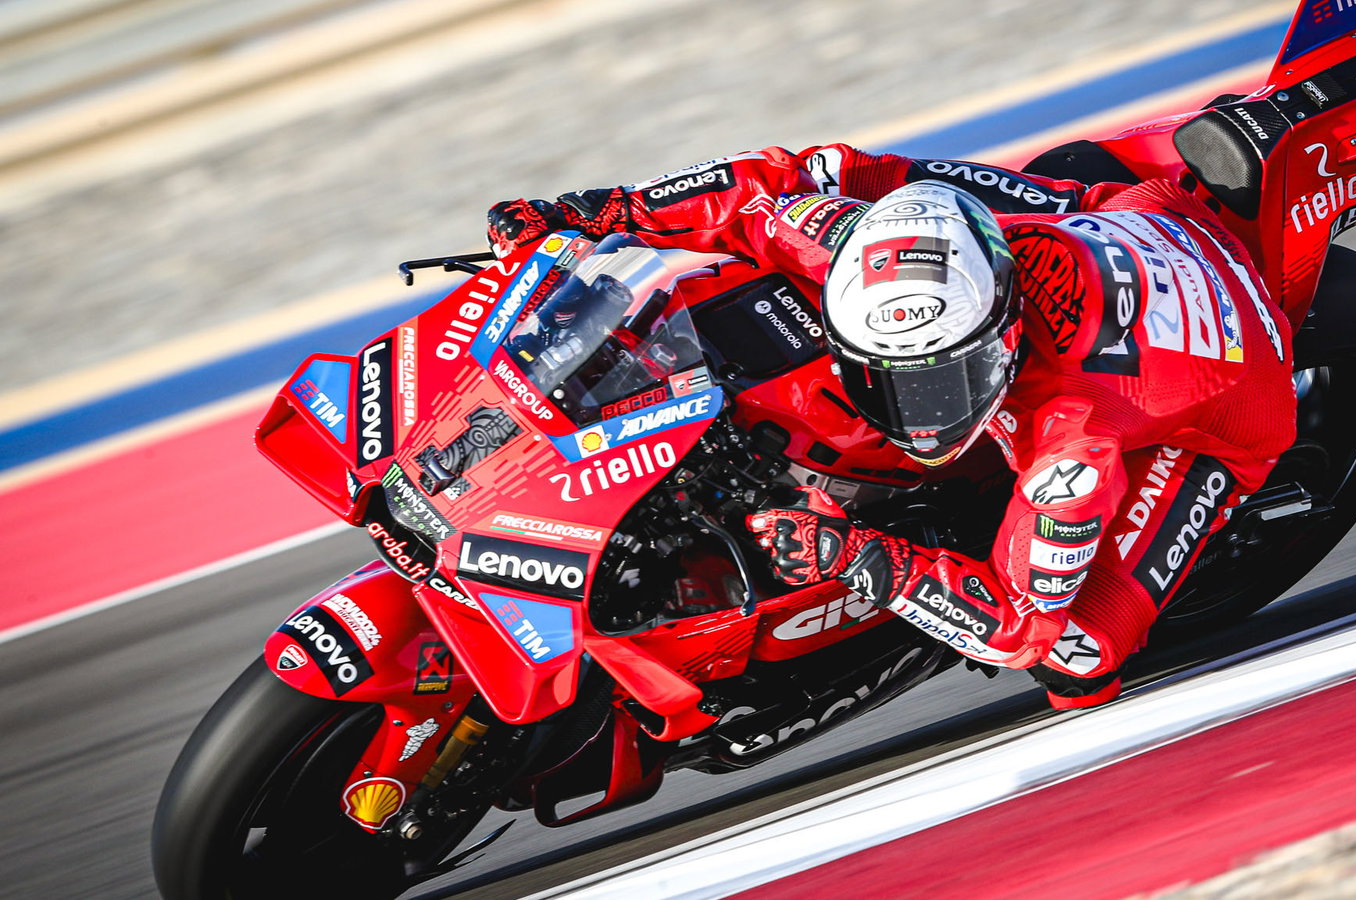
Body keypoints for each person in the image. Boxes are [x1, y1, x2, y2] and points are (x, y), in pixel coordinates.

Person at [485, 143, 1296, 709]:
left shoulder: (1071, 447)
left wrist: (856, 553)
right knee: (835, 173)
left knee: (1075, 659)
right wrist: (582, 215)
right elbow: (760, 189)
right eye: (887, 377)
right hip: (1111, 213)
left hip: (1221, 411)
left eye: (941, 382)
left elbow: (1019, 628)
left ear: (1002, 341)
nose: (917, 412)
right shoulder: (843, 246)